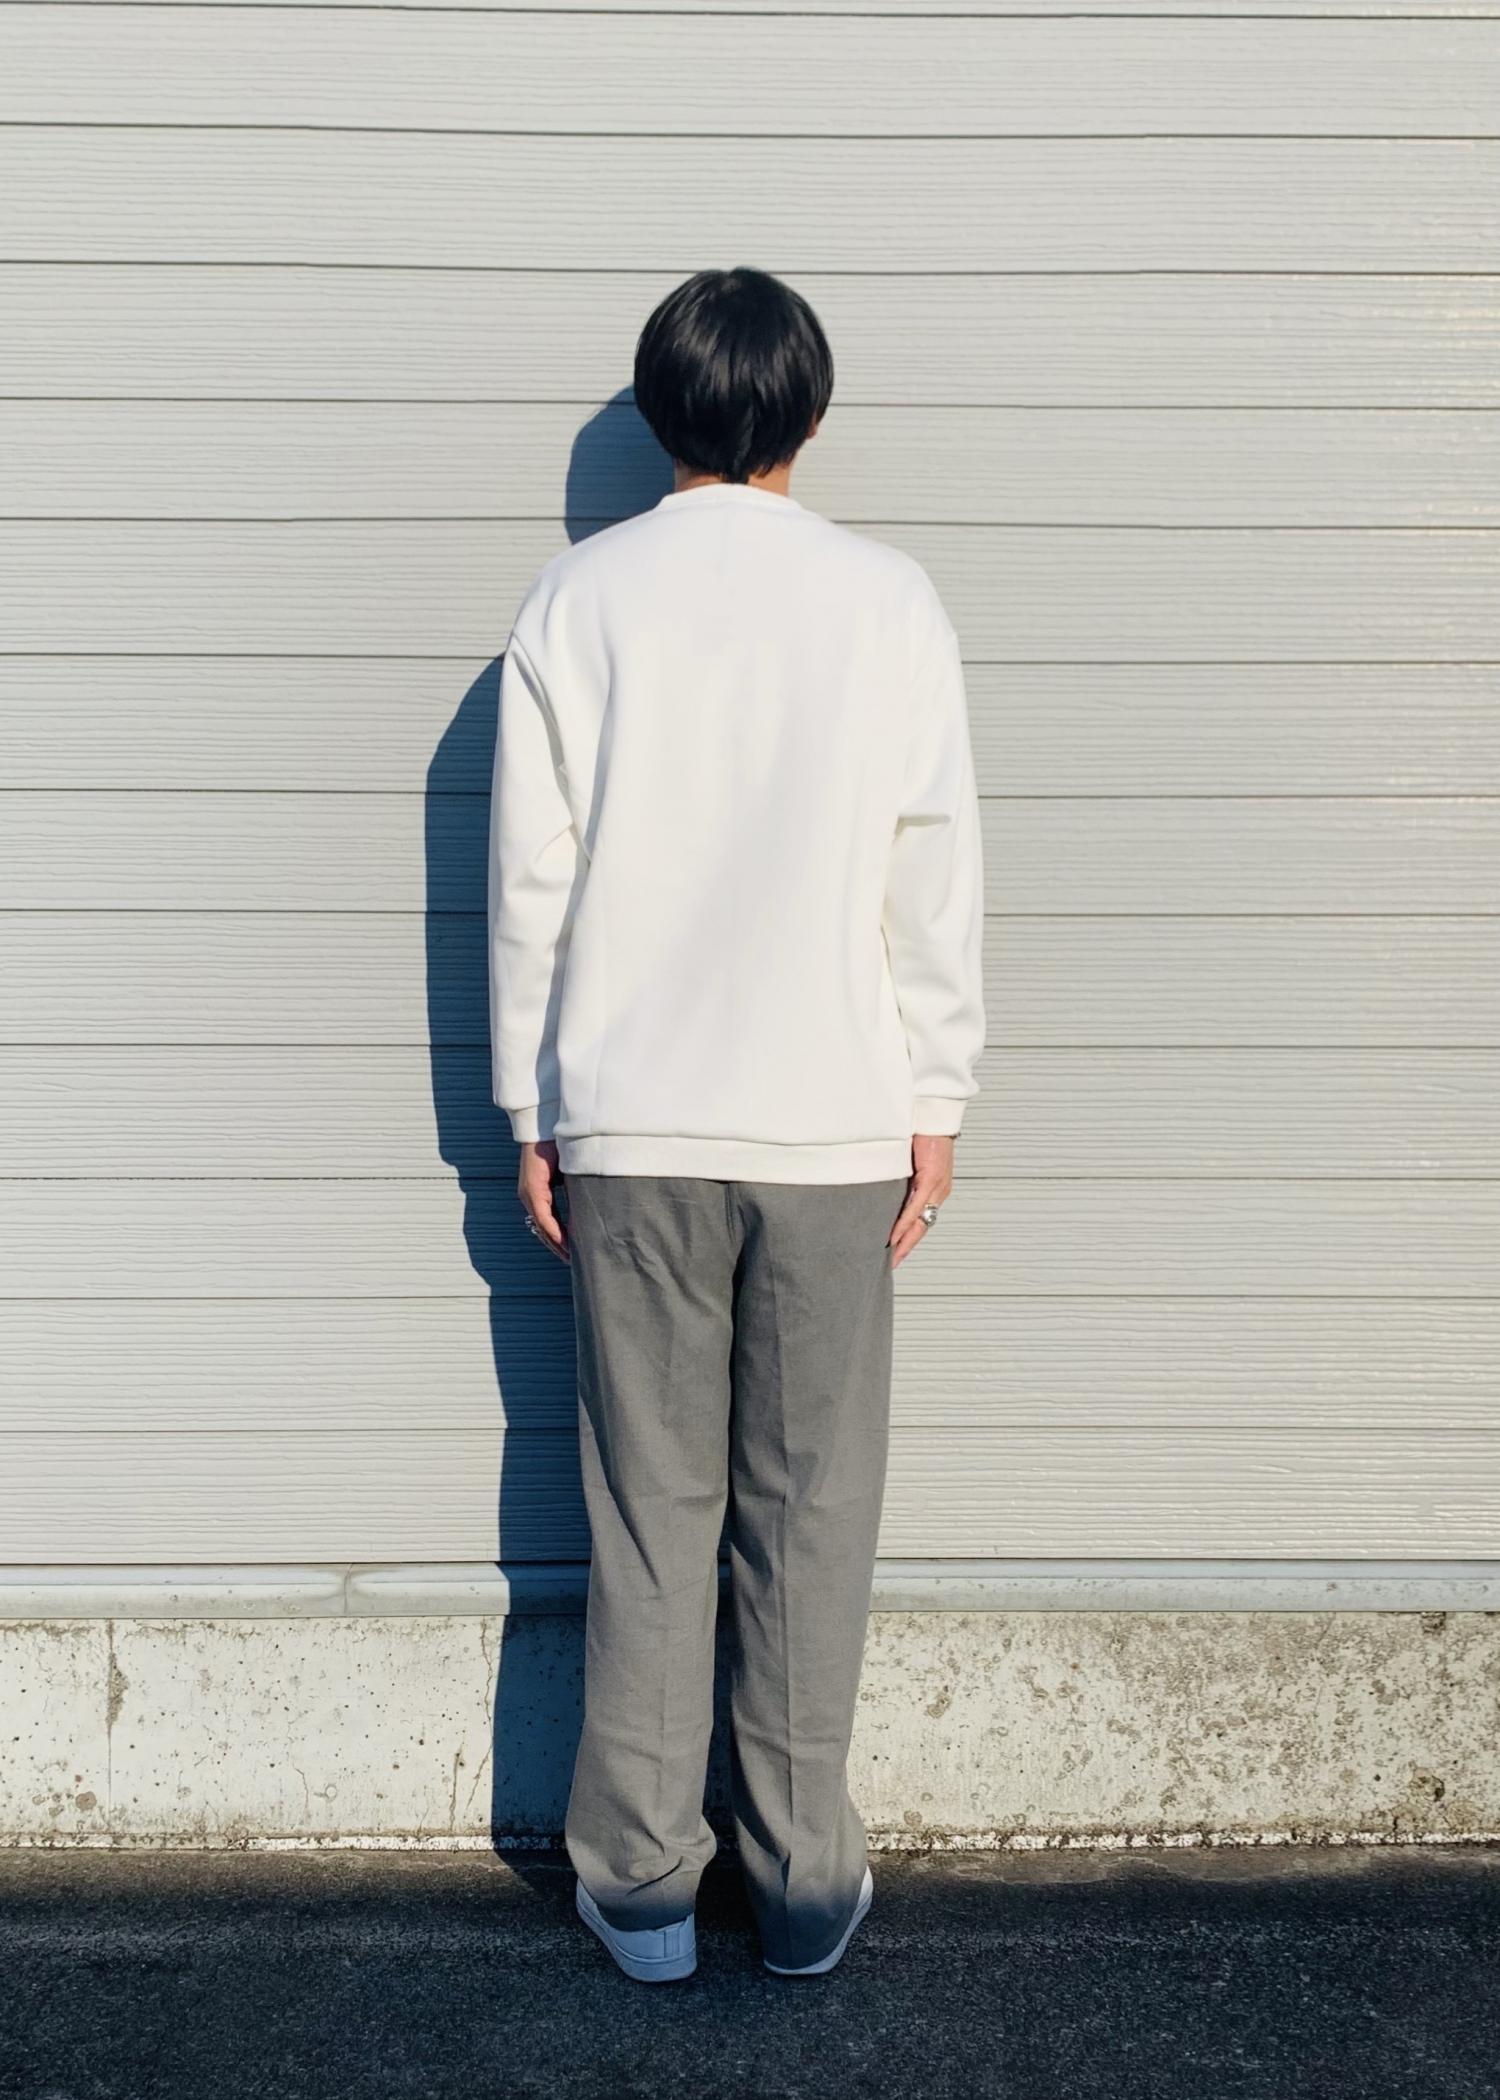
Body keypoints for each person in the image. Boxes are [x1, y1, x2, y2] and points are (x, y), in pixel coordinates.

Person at [487, 265, 985, 1982]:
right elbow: (932, 864)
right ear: (811, 415)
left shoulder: (580, 598)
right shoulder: (887, 600)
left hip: (635, 1125)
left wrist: (534, 1104)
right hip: (833, 1126)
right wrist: (936, 1092)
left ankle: (637, 1887)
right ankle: (801, 1884)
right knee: (810, 1511)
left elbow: (532, 884)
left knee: (649, 1511)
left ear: (660, 414)